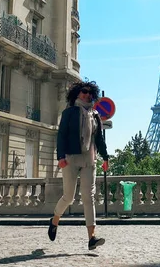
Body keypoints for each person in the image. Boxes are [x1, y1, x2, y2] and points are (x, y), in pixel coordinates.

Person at [48, 81, 108, 250]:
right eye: (84, 91)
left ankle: (92, 238)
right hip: (71, 157)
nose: (87, 95)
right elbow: (61, 135)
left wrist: (105, 157)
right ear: (77, 93)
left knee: (89, 197)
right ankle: (54, 220)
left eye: (90, 93)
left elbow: (99, 139)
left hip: (89, 159)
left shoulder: (95, 115)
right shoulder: (69, 112)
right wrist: (60, 156)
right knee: (69, 197)